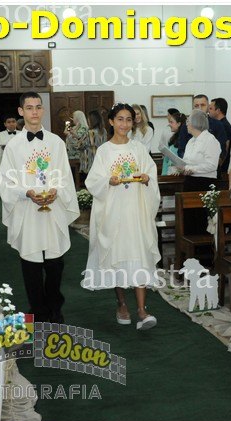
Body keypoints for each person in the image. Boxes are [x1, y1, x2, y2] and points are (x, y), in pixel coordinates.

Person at [0, 92, 79, 323]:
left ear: (43, 110)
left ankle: (55, 306)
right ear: (21, 111)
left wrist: (56, 190)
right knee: (31, 265)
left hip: (53, 209)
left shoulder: (56, 142)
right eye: (29, 107)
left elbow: (65, 175)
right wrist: (26, 192)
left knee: (55, 264)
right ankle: (38, 311)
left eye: (38, 107)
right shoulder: (13, 146)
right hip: (27, 209)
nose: (34, 112)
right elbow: (5, 180)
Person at [81, 103, 160, 331]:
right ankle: (122, 304)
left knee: (138, 255)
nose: (125, 124)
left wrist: (147, 178)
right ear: (111, 121)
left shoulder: (139, 149)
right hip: (113, 212)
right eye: (120, 119)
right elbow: (92, 181)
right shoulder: (104, 151)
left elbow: (151, 173)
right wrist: (108, 181)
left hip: (136, 212)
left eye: (129, 119)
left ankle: (142, 311)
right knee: (117, 255)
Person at [171, 110, 221, 192]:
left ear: (195, 123)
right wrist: (181, 168)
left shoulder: (210, 140)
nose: (186, 124)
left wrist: (191, 168)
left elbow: (212, 165)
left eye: (188, 121)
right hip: (190, 181)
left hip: (205, 183)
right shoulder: (191, 141)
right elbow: (186, 161)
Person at [209, 97, 231, 175]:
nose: (208, 111)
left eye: (211, 108)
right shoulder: (219, 124)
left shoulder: (224, 126)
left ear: (218, 111)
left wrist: (218, 167)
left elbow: (226, 147)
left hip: (221, 169)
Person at [0, 115, 18, 186]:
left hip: (18, 161)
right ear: (5, 124)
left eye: (13, 121)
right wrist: (2, 148)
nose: (11, 124)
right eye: (9, 122)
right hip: (5, 161)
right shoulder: (0, 135)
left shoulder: (22, 134)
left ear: (16, 123)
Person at [65, 110, 92, 174]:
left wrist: (70, 134)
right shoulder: (75, 127)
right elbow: (66, 133)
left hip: (78, 155)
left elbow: (77, 142)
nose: (72, 119)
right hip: (70, 153)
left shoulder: (84, 128)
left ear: (77, 118)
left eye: (73, 117)